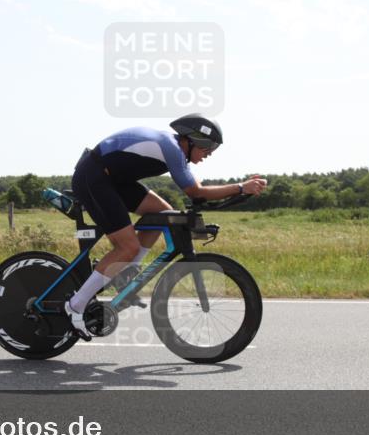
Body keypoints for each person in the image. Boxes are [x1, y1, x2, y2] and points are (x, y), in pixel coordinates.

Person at [65, 113, 267, 336]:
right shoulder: (171, 147)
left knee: (163, 214)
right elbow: (195, 192)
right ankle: (74, 306)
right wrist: (241, 187)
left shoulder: (175, 149)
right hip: (93, 178)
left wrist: (241, 190)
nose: (208, 155)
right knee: (128, 247)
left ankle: (127, 272)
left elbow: (197, 193)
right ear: (192, 140)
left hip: (114, 180)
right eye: (207, 149)